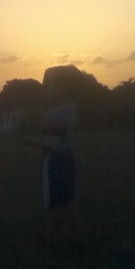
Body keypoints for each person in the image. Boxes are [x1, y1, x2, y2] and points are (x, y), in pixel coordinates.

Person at [28, 98, 82, 248]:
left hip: (56, 160)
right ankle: (58, 237)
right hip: (64, 157)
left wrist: (31, 142)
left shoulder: (60, 111)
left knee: (58, 202)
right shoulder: (71, 107)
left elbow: (52, 141)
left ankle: (56, 238)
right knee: (64, 201)